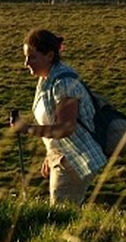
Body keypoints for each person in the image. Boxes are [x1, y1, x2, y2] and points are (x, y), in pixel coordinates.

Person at [13, 28, 106, 205]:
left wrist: (27, 129)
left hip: (74, 160)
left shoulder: (63, 83)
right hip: (63, 157)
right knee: (62, 214)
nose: (26, 63)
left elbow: (66, 128)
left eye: (32, 57)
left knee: (59, 217)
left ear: (49, 56)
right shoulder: (47, 78)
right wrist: (50, 154)